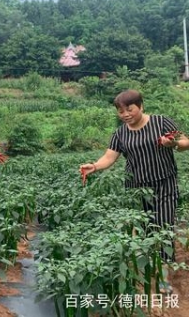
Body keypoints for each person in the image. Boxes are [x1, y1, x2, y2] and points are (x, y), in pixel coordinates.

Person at [79, 89, 188, 294]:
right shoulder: (120, 134)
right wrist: (95, 166)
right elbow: (109, 157)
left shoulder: (161, 122)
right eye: (120, 111)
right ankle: (146, 269)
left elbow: (185, 143)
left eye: (129, 109)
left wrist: (173, 143)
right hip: (136, 188)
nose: (125, 114)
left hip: (165, 183)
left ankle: (163, 277)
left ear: (141, 106)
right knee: (145, 229)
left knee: (163, 228)